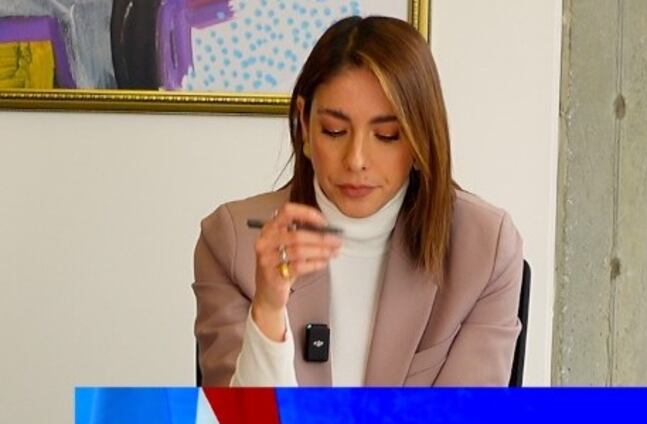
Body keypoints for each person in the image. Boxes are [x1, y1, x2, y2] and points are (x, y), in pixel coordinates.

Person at [194, 16, 523, 387]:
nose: (356, 160)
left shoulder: (484, 248)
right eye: (335, 131)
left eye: (386, 135)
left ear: (420, 140)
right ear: (303, 123)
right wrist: (268, 309)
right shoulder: (232, 240)